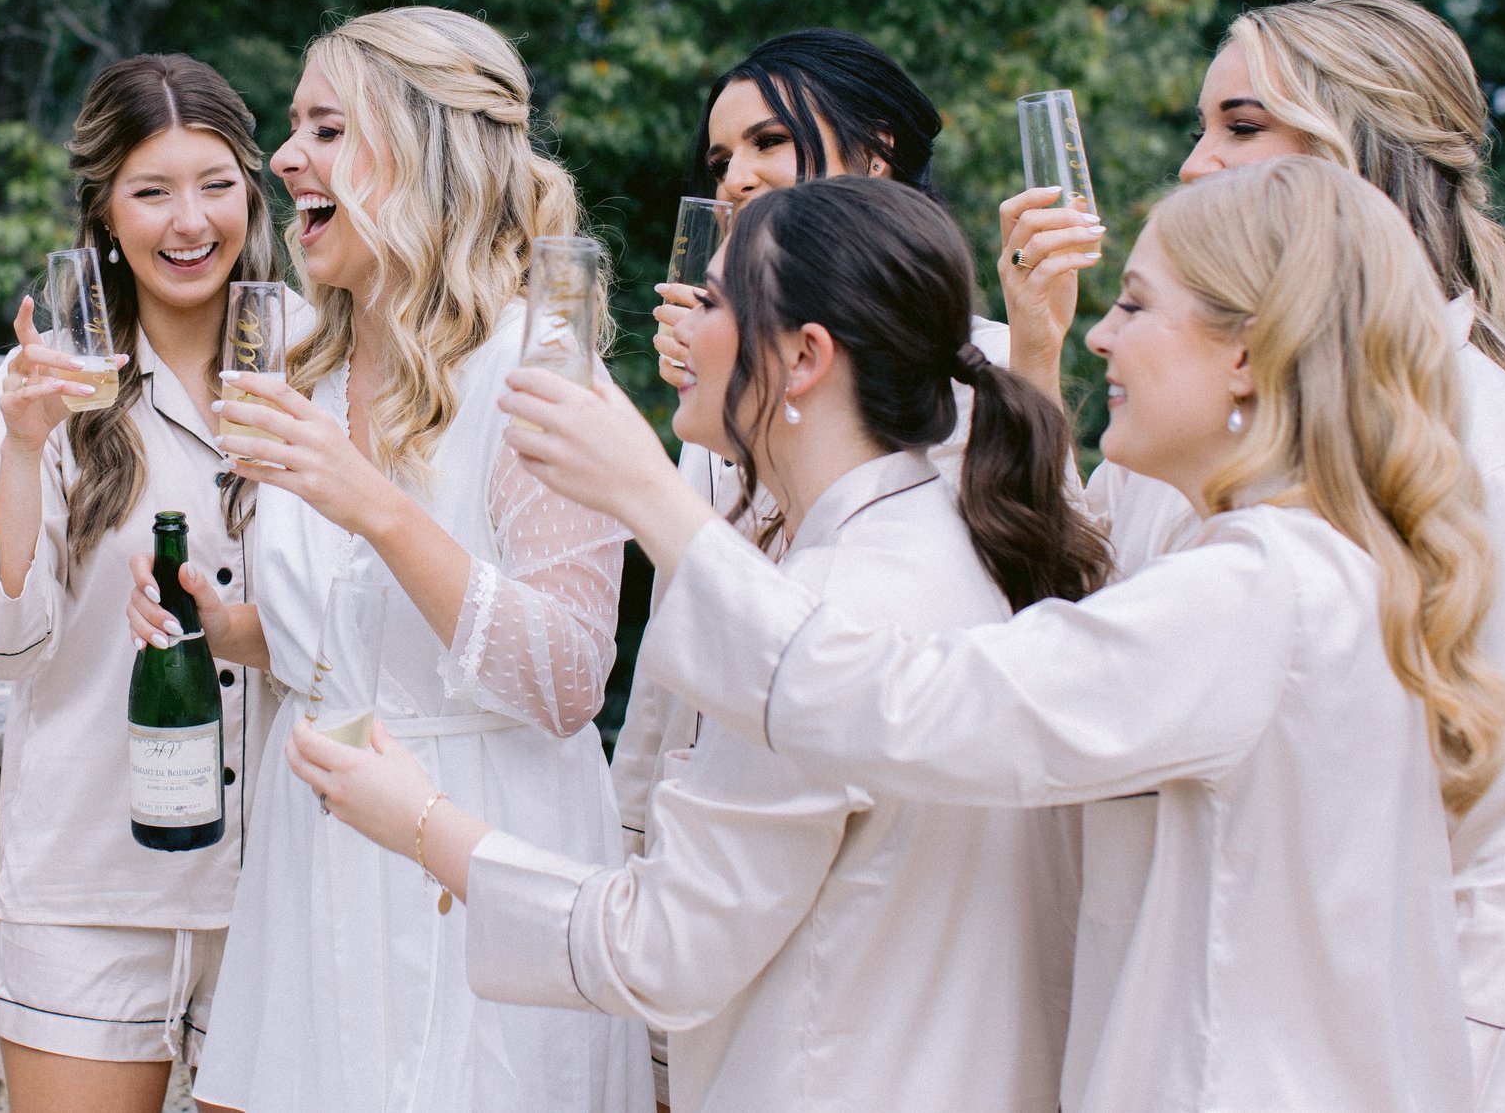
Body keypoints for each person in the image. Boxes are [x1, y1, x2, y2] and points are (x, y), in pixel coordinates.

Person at [494, 155, 1505, 1111]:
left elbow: (916, 709)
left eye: (1136, 303)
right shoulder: (1312, 572)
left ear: (1246, 353)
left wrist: (651, 501)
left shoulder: (1260, 589)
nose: (1099, 336)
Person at [292, 176, 1107, 1112]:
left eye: (715, 300)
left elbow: (666, 947)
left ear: (802, 357)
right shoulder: (962, 534)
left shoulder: (821, 613)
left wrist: (425, 822)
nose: (678, 317)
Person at [1001, 0, 1505, 1112]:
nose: (1196, 165)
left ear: (1360, 152)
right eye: (1202, 127)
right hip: (1136, 1024)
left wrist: (1437, 1079)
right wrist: (1038, 355)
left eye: (1241, 125)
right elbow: (1078, 611)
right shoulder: (1184, 416)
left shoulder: (1484, 441)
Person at [133, 6, 652, 1113]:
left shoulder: (537, 367)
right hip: (314, 839)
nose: (281, 159)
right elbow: (363, 633)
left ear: (422, 153)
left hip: (476, 857)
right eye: (291, 129)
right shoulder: (310, 369)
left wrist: (370, 500)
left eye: (324, 128)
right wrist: (231, 628)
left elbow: (566, 678)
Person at [617, 29, 1061, 1104]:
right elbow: (683, 655)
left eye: (767, 139)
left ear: (874, 154)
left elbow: (1012, 596)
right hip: (722, 820)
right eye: (718, 158)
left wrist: (1044, 352)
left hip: (890, 875)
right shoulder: (711, 403)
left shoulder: (985, 368)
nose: (737, 177)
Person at [0, 55, 300, 1113]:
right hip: (90, 880)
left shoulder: (321, 352)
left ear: (253, 186)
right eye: (151, 191)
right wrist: (22, 446)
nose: (188, 220)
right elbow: (2, 644)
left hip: (285, 879)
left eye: (215, 182)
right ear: (105, 212)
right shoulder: (54, 376)